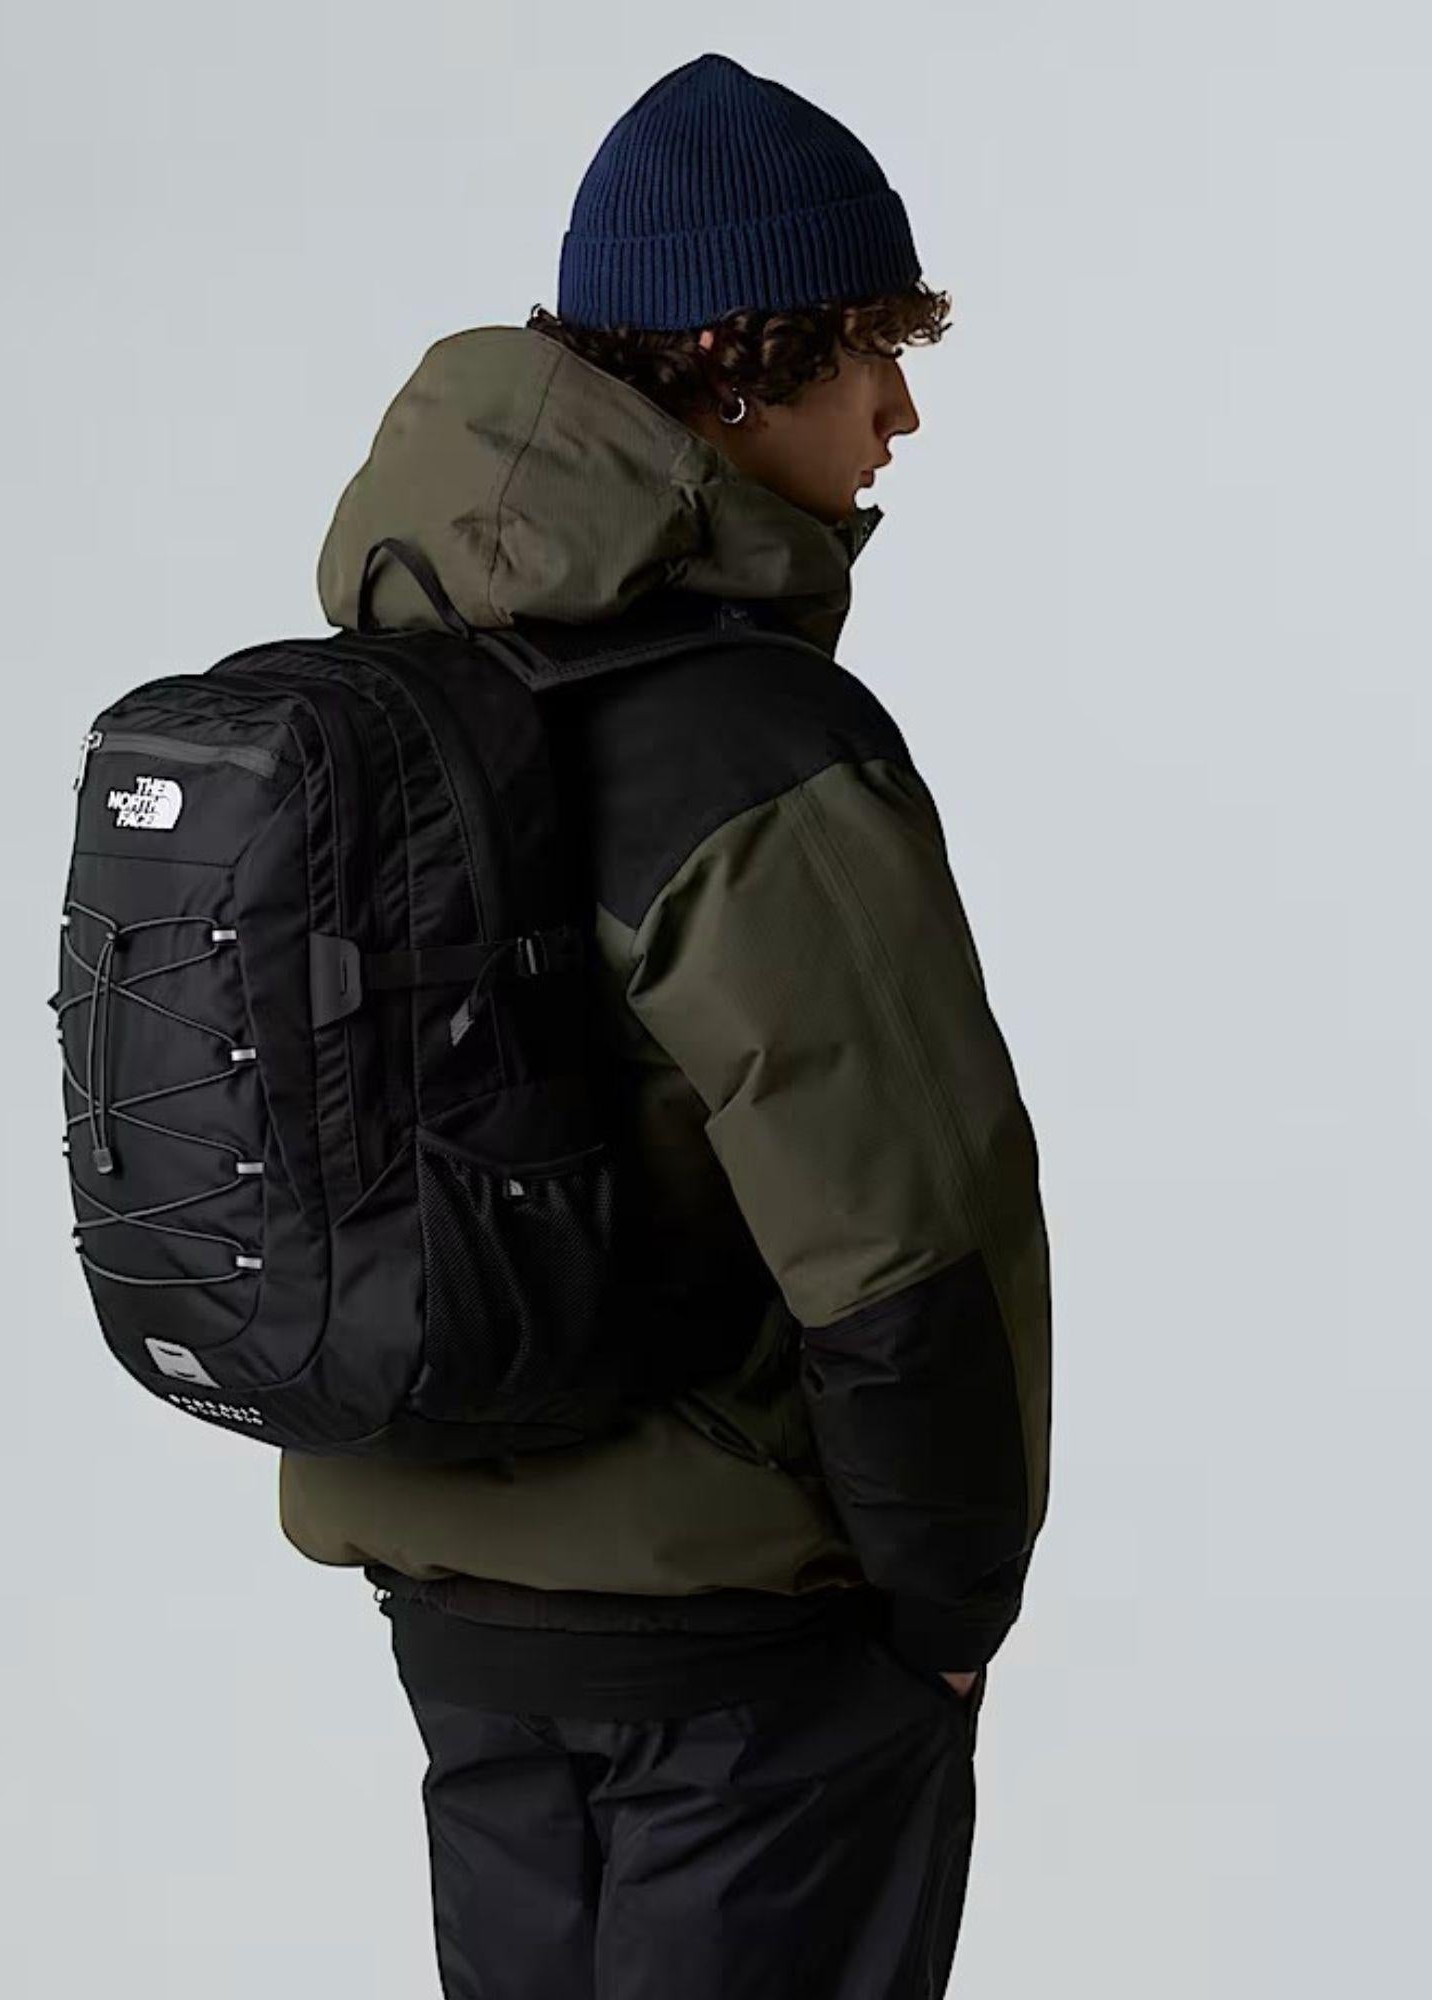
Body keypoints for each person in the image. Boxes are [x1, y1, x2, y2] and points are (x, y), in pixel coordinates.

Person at [284, 50, 1051, 1999]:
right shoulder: (756, 743)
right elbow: (908, 1240)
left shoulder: (388, 693)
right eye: (868, 352)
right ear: (734, 363)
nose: (899, 412)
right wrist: (949, 1611)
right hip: (750, 1653)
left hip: (452, 1590)